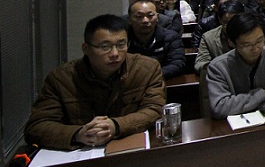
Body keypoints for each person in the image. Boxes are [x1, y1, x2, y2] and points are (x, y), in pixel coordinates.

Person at [24, 14, 165, 150]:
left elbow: (155, 110)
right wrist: (78, 134)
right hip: (81, 154)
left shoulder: (146, 69)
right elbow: (37, 127)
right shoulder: (61, 78)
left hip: (128, 148)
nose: (115, 53)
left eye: (121, 45)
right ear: (86, 49)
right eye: (105, 47)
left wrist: (115, 126)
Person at [206, 12, 265, 118]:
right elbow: (220, 107)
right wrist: (262, 94)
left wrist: (241, 106)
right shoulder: (218, 67)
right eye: (246, 45)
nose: (255, 48)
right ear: (231, 43)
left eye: (259, 41)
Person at [126, 0, 186, 79]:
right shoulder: (123, 39)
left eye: (150, 16)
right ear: (129, 20)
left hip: (162, 80)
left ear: (157, 17)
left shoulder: (171, 37)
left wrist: (151, 76)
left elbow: (177, 64)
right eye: (139, 16)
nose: (145, 20)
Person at [195, 0, 245, 74]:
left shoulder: (253, 34)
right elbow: (200, 63)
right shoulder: (209, 37)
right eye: (226, 22)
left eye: (235, 22)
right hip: (220, 75)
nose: (231, 26)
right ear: (220, 19)